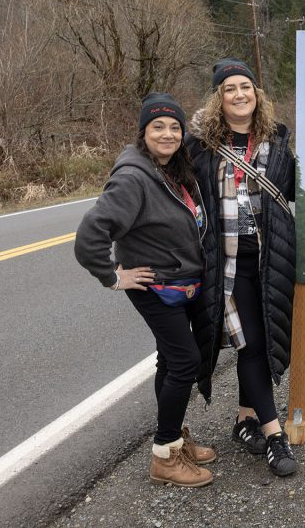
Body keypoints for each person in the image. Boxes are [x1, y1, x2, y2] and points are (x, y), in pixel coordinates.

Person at [75, 93, 215, 488]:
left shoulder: (172, 168)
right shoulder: (134, 177)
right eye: (158, 127)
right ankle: (165, 455)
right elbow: (89, 236)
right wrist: (114, 277)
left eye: (174, 127)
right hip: (156, 286)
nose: (168, 134)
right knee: (185, 361)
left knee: (171, 361)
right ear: (143, 132)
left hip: (179, 283)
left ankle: (174, 440)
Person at [186, 59, 298, 477]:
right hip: (226, 263)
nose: (239, 94)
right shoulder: (199, 146)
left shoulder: (275, 142)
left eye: (245, 86)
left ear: (256, 93)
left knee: (264, 337)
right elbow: (173, 191)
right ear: (219, 97)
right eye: (229, 88)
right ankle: (274, 435)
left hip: (269, 260)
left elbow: (299, 188)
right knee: (250, 344)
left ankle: (243, 420)